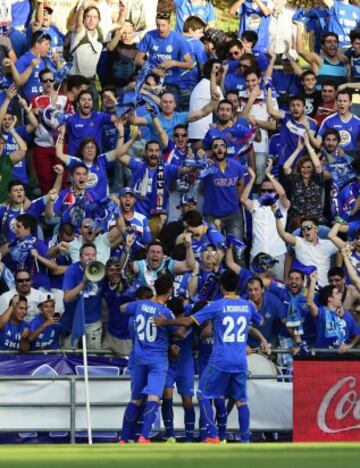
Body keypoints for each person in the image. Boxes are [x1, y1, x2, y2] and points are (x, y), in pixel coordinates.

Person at [154, 270, 263, 443]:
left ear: (221, 286)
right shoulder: (247, 305)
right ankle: (245, 440)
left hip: (220, 359)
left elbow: (188, 321)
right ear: (239, 286)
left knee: (203, 395)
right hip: (241, 360)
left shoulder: (217, 305)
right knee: (241, 401)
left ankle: (212, 435)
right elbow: (260, 321)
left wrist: (165, 322)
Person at [119, 274, 178, 444]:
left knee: (135, 399)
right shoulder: (166, 312)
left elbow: (122, 308)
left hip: (138, 358)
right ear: (169, 291)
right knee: (154, 397)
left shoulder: (139, 304)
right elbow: (177, 332)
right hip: (157, 360)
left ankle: (123, 438)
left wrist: (136, 314)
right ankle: (144, 436)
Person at [240, 161, 290, 280]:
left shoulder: (282, 206)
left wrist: (269, 175)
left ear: (275, 192)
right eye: (263, 191)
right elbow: (243, 199)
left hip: (277, 253)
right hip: (257, 253)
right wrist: (252, 179)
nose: (266, 193)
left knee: (279, 286)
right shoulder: (255, 205)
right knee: (255, 289)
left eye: (270, 191)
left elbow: (282, 194)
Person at [201, 137, 245, 243]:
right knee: (214, 251)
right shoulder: (207, 168)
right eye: (215, 147)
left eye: (222, 146)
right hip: (212, 216)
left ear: (226, 149)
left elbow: (240, 184)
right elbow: (201, 188)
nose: (219, 149)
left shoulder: (237, 166)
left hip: (233, 214)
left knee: (237, 252)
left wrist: (235, 202)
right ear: (212, 151)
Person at [274, 214, 338, 287]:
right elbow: (283, 234)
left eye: (308, 228)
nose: (305, 230)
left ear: (316, 229)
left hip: (324, 288)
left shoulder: (328, 244)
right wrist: (277, 217)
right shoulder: (299, 242)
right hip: (304, 290)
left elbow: (344, 249)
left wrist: (338, 268)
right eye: (303, 229)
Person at [62, 242, 105, 350]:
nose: (90, 257)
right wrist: (83, 284)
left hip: (93, 323)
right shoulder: (72, 270)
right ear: (80, 257)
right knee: (69, 356)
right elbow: (67, 298)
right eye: (87, 255)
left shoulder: (101, 269)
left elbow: (117, 273)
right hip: (73, 321)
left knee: (93, 358)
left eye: (93, 255)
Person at [282, 133, 324, 229]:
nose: (306, 170)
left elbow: (317, 165)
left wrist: (308, 145)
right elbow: (285, 167)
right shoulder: (295, 179)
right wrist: (298, 149)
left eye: (309, 167)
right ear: (299, 169)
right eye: (303, 167)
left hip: (315, 222)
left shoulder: (317, 179)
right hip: (297, 221)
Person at [307, 271, 347, 351]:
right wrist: (313, 281)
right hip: (323, 358)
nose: (341, 295)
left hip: (339, 357)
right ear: (330, 299)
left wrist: (346, 345)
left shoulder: (340, 315)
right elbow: (310, 303)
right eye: (337, 293)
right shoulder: (321, 313)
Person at [318, 89, 360, 157]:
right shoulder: (328, 121)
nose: (342, 103)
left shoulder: (358, 122)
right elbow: (318, 143)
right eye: (340, 101)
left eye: (345, 101)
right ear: (336, 102)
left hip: (352, 162)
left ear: (350, 103)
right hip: (331, 162)